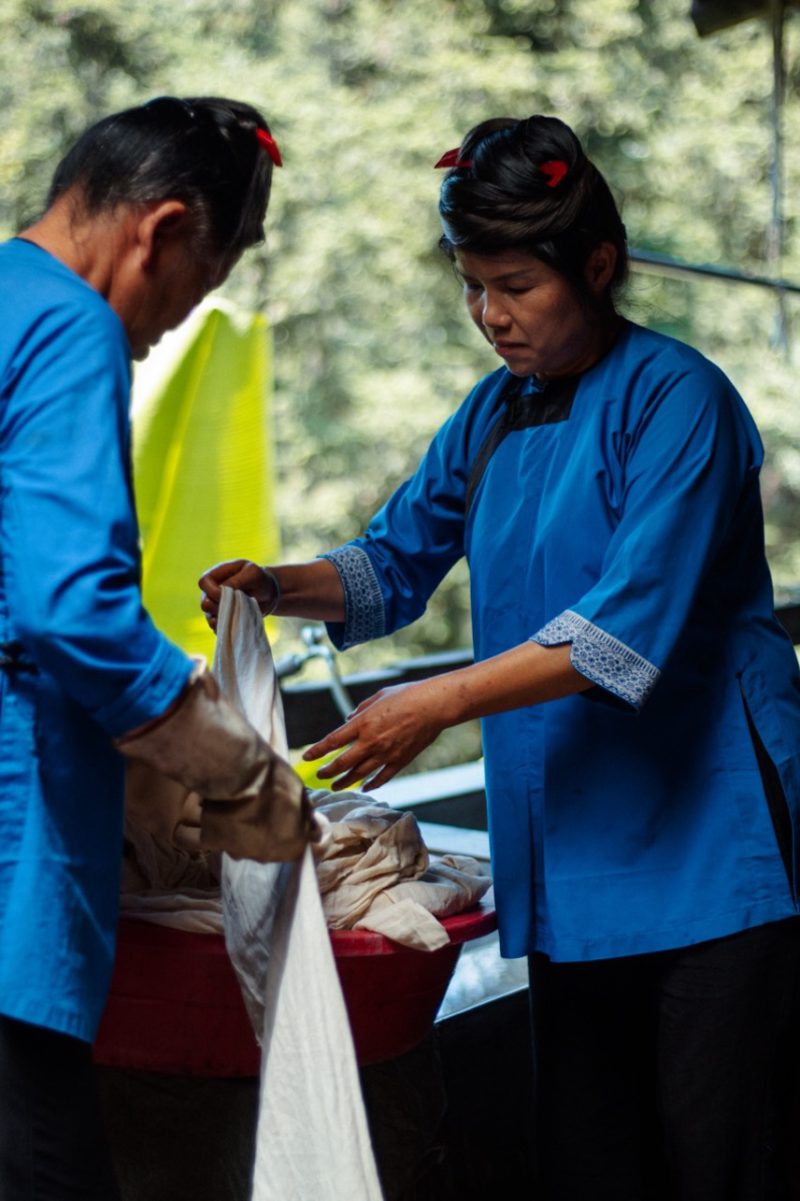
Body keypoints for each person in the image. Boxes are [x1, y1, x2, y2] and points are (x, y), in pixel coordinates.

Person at [199, 114, 800, 1199]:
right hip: (572, 855)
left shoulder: (679, 401)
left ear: (598, 265)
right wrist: (273, 586)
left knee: (719, 1165)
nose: (489, 317)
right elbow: (389, 564)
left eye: (514, 285)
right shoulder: (491, 417)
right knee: (584, 1162)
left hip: (709, 857)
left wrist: (432, 704)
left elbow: (623, 629)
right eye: (472, 287)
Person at [0, 96, 313, 1201]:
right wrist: (224, 759)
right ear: (164, 228)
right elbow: (69, 606)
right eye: (194, 293)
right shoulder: (68, 325)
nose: (169, 326)